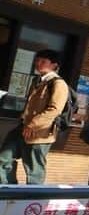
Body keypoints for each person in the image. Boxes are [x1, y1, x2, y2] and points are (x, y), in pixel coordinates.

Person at [0, 49, 70, 184]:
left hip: (41, 134)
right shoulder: (36, 81)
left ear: (54, 65)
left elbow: (55, 109)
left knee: (34, 170)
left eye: (43, 61)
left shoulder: (58, 84)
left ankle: (33, 199)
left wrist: (33, 124)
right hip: (22, 128)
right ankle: (9, 191)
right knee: (4, 158)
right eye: (37, 60)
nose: (38, 63)